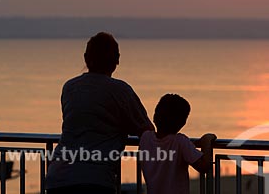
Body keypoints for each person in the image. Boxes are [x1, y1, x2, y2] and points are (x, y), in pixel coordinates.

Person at [46, 32, 154, 194]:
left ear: (85, 58)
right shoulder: (120, 90)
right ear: (117, 60)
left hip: (58, 177)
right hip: (96, 179)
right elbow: (146, 130)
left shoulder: (70, 87)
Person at [139, 94, 217, 194]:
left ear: (155, 116)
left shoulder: (145, 138)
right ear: (182, 123)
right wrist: (207, 141)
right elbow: (203, 166)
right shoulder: (180, 142)